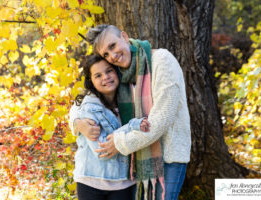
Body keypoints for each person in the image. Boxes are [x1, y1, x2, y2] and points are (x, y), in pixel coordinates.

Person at [73, 24, 192, 200]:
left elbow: (161, 120)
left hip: (169, 157)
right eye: (105, 54)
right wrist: (77, 123)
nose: (112, 56)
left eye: (113, 46)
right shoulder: (119, 73)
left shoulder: (161, 61)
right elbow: (85, 102)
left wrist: (120, 143)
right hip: (139, 160)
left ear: (124, 37)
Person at [68, 55, 150, 200]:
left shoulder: (130, 100)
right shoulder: (90, 107)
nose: (105, 77)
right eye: (98, 75)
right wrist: (133, 126)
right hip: (92, 181)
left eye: (109, 71)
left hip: (123, 181)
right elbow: (102, 150)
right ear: (91, 82)